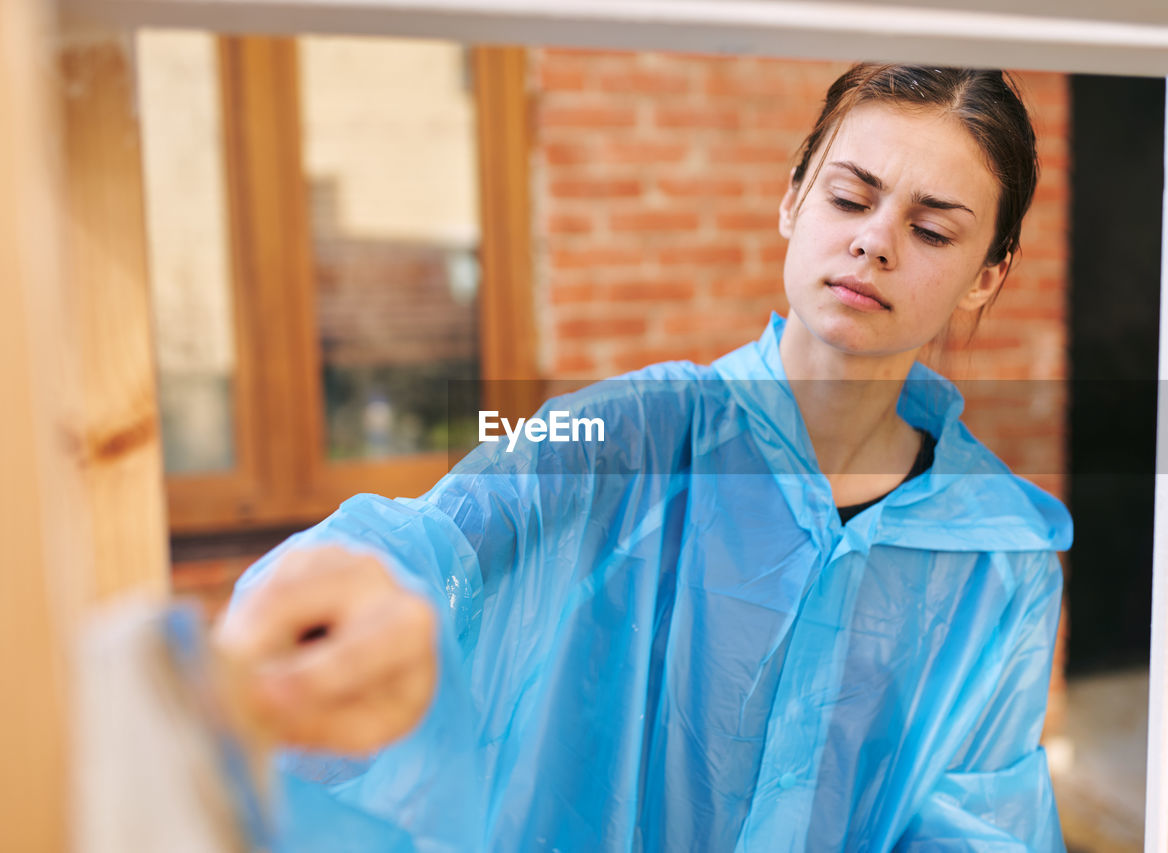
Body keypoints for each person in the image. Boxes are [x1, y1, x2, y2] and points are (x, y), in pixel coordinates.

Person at [216, 63, 1072, 851]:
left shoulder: (1000, 554)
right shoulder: (624, 432)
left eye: (930, 229)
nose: (875, 243)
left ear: (986, 278)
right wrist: (348, 607)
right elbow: (438, 538)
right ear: (791, 202)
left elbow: (974, 827)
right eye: (850, 199)